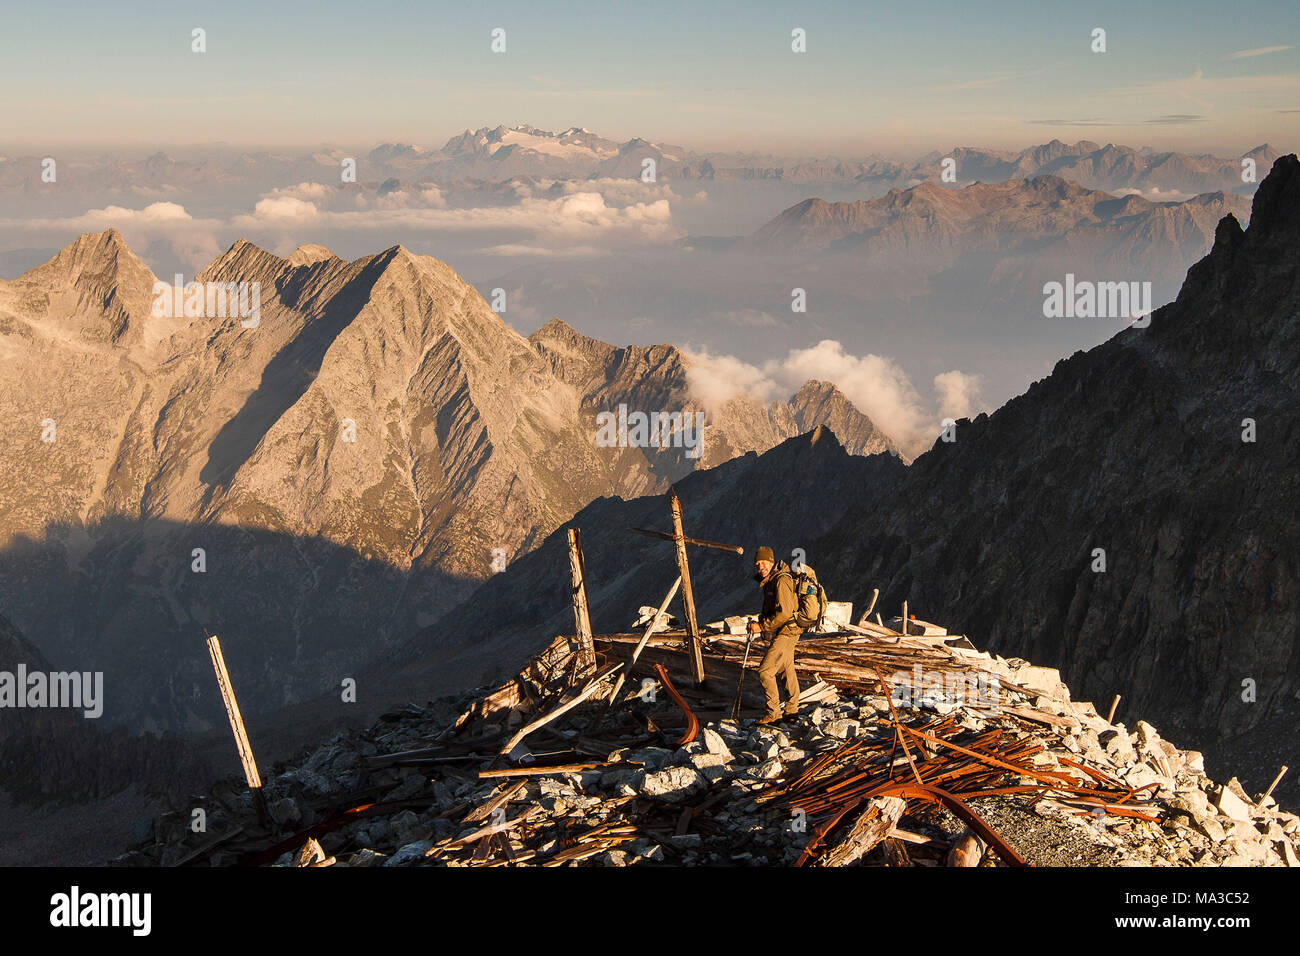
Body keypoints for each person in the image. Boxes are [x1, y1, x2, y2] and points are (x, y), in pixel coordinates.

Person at [748, 546, 802, 725]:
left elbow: (785, 613)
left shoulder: (781, 581)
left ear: (771, 561)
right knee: (787, 668)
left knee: (765, 671)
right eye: (757, 564)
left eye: (763, 562)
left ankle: (773, 713)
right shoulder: (773, 580)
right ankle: (792, 711)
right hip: (789, 630)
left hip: (787, 631)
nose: (760, 566)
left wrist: (762, 626)